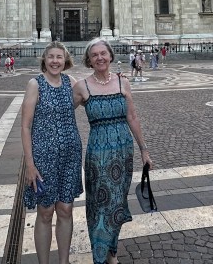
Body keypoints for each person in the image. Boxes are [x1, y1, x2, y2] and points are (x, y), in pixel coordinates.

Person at [73, 38, 153, 264]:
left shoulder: (122, 82)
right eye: (94, 55)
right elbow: (63, 114)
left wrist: (144, 150)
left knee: (117, 202)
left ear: (110, 56)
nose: (99, 58)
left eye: (103, 53)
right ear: (89, 60)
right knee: (100, 205)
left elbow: (132, 117)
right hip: (98, 156)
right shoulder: (82, 86)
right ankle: (100, 255)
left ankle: (112, 253)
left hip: (123, 152)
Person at [21, 42, 82, 264]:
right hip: (43, 158)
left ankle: (64, 262)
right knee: (45, 211)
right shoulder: (35, 84)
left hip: (70, 156)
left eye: (59, 57)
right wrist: (30, 164)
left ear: (65, 60)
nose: (55, 61)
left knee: (66, 209)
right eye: (51, 57)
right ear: (44, 60)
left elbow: (93, 93)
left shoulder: (71, 82)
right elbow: (25, 126)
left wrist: (114, 79)